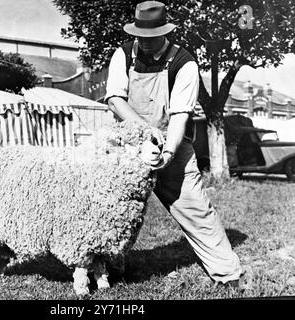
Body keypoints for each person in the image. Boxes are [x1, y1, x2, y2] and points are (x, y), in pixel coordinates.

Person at [105, 1, 244, 286]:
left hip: (172, 146)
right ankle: (107, 270)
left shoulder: (184, 62)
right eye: (139, 36)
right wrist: (144, 133)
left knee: (194, 207)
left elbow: (181, 115)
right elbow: (115, 99)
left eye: (150, 37)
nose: (143, 42)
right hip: (127, 147)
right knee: (113, 210)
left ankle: (228, 274)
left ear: (164, 32)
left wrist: (167, 150)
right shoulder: (122, 54)